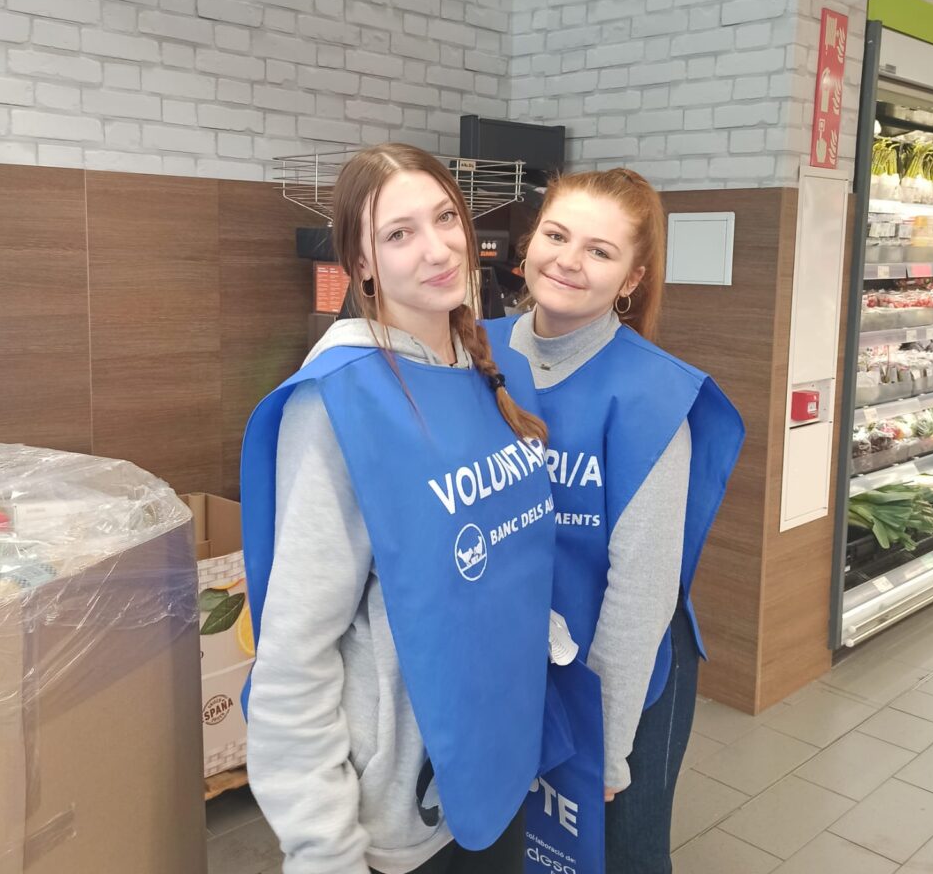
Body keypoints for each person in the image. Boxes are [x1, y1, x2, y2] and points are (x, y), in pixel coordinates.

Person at [240, 144, 558, 874]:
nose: (437, 249)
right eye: (398, 233)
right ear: (362, 265)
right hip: (406, 818)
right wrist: (323, 849)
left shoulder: (492, 371)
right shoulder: (339, 402)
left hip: (498, 769)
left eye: (445, 217)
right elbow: (295, 651)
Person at [486, 168, 744, 874]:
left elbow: (643, 591)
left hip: (624, 670)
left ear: (632, 278)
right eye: (556, 235)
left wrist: (607, 741)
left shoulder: (652, 395)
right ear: (528, 244)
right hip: (516, 664)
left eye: (599, 251)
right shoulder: (474, 354)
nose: (568, 260)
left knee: (617, 856)